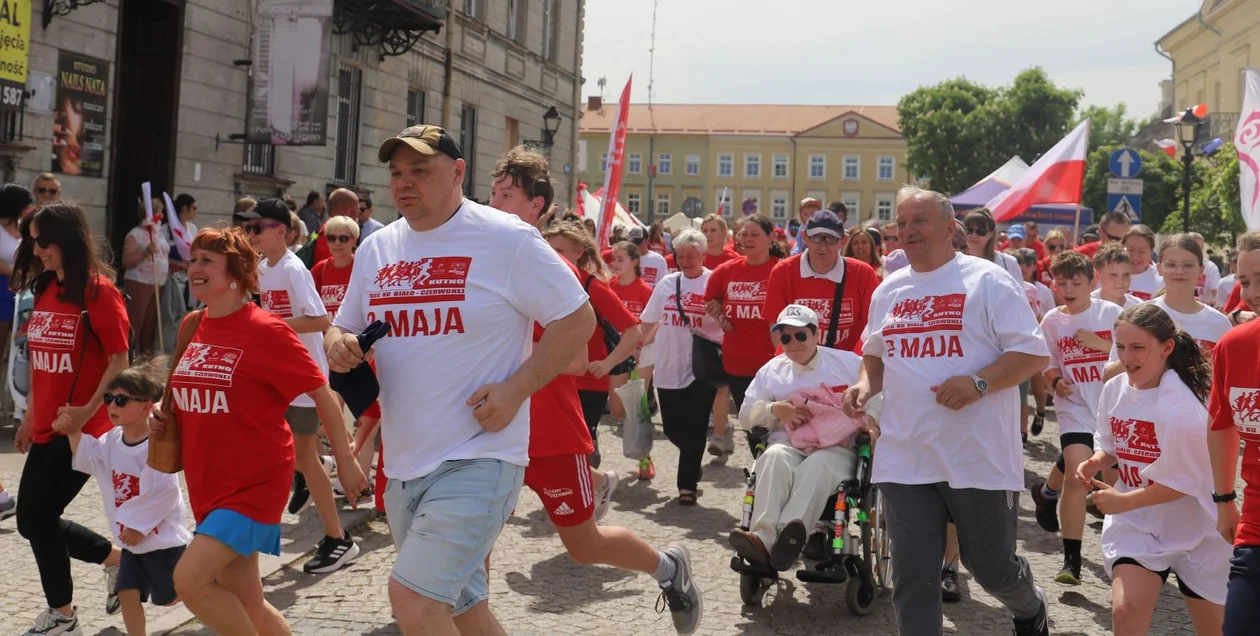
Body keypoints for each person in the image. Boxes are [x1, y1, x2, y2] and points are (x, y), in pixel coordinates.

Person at [325, 125, 605, 634]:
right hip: (405, 463)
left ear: (458, 173)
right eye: (396, 174)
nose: (405, 184)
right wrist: (338, 343)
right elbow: (343, 323)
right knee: (463, 609)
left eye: (421, 172)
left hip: (479, 458)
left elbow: (577, 319)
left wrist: (518, 387)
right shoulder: (377, 248)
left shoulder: (507, 238)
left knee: (412, 600)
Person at [487, 146, 703, 633]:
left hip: (549, 433)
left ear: (536, 206)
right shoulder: (482, 257)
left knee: (584, 545)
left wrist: (548, 367)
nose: (495, 203)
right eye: (493, 193)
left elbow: (587, 349)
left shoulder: (552, 267)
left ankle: (670, 568)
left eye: (508, 196)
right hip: (489, 428)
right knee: (473, 538)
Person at [844, 186, 1051, 636]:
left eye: (919, 220)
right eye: (901, 223)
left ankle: (1029, 605)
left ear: (949, 228)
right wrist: (864, 385)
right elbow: (875, 353)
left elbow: (1034, 356)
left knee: (992, 568)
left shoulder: (988, 280)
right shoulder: (890, 290)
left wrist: (978, 384)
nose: (908, 230)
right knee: (913, 576)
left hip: (976, 455)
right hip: (905, 454)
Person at [150, 226, 364, 635]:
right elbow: (184, 392)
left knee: (190, 581)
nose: (194, 268)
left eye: (206, 261)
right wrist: (162, 416)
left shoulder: (266, 329)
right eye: (193, 259)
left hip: (254, 483)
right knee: (251, 605)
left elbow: (323, 394)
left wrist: (348, 460)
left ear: (237, 274)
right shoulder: (191, 325)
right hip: (206, 480)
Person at [13, 202, 130, 635]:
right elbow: (42, 364)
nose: (37, 249)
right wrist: (29, 416)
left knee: (39, 519)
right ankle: (116, 561)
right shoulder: (45, 289)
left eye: (44, 240)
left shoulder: (99, 292)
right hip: (48, 425)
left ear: (67, 240)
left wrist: (87, 410)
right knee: (29, 521)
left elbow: (120, 359)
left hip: (85, 429)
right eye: (32, 240)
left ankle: (62, 615)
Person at [1080, 303, 1229, 635]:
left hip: (1196, 530)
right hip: (1138, 527)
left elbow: (1183, 483)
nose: (1127, 356)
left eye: (1138, 347)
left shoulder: (1182, 410)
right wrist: (1096, 460)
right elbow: (1111, 444)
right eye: (1120, 347)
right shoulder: (1114, 389)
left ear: (1167, 348)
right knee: (1124, 610)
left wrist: (1123, 501)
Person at [236, 198, 360, 573]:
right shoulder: (262, 267)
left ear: (281, 231)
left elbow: (321, 318)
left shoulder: (292, 269)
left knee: (300, 456)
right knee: (271, 450)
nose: (251, 234)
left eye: (257, 228)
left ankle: (338, 539)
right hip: (275, 375)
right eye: (248, 229)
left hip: (303, 377)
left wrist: (273, 326)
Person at [729, 304, 882, 572]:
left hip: (837, 446)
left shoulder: (847, 363)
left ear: (816, 334)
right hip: (788, 442)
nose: (793, 343)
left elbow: (878, 396)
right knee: (772, 458)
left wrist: (871, 423)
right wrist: (775, 410)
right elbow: (745, 415)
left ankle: (786, 538)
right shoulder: (772, 370)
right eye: (785, 337)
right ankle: (763, 540)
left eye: (800, 335)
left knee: (818, 466)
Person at [58, 356, 191, 636]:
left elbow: (165, 492)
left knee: (180, 597)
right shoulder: (112, 440)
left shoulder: (155, 447)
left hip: (161, 544)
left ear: (146, 406)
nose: (111, 406)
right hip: (130, 545)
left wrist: (139, 527)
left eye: (121, 400)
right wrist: (73, 432)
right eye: (109, 398)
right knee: (127, 592)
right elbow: (90, 456)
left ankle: (224, 604)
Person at [1027, 250, 1123, 585]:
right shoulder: (1052, 320)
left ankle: (1125, 553)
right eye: (1061, 282)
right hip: (1075, 408)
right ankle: (1072, 562)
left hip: (1112, 407)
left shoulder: (1111, 313)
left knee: (1112, 483)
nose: (1067, 288)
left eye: (1075, 282)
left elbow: (1133, 353)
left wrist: (1099, 344)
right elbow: (1046, 361)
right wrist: (1054, 381)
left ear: (1091, 282)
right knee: (1077, 476)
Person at [544, 221, 643, 469]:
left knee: (574, 447)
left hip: (588, 381)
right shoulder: (541, 283)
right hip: (549, 378)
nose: (553, 256)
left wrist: (609, 363)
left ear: (578, 252)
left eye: (560, 250)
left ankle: (588, 486)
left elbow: (633, 331)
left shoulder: (593, 287)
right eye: (548, 249)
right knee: (554, 442)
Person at [641, 229, 724, 507]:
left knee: (697, 426)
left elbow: (728, 323)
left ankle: (686, 485)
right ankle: (693, 458)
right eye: (681, 256)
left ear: (703, 254)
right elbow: (650, 319)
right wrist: (636, 346)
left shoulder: (715, 281)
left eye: (691, 255)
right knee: (674, 429)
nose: (685, 260)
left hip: (701, 365)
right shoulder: (666, 283)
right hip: (667, 364)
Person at [1206, 230, 1260, 635]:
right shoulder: (1234, 345)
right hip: (1255, 530)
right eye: (1244, 280)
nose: (1253, 292)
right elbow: (1221, 425)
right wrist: (1224, 500)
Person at [764, 209, 880, 353]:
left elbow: (871, 327)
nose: (823, 246)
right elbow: (776, 325)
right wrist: (791, 363)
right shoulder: (783, 272)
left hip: (847, 367)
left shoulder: (863, 274)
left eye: (831, 239)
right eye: (816, 238)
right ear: (805, 237)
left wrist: (854, 366)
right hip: (799, 365)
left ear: (843, 241)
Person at [703, 214, 783, 422]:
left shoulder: (783, 269)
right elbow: (709, 301)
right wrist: (719, 313)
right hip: (737, 361)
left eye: (755, 235)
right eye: (743, 235)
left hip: (775, 362)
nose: (747, 239)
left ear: (770, 238)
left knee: (775, 425)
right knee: (750, 422)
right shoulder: (726, 271)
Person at [607, 240, 658, 479]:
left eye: (620, 259)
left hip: (642, 354)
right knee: (617, 409)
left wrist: (639, 344)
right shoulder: (609, 287)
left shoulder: (646, 291)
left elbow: (655, 322)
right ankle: (632, 437)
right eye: (613, 259)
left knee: (637, 407)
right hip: (616, 353)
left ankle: (645, 459)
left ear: (635, 262)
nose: (614, 264)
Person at [1152, 233, 1233, 361]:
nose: (1179, 271)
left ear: (1201, 271)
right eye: (1171, 265)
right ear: (1159, 268)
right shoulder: (1143, 316)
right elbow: (1113, 371)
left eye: (1188, 265)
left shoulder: (1219, 322)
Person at [121, 197, 171, 355]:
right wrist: (145, 252)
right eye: (159, 212)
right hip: (140, 281)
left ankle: (146, 358)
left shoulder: (158, 232)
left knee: (150, 324)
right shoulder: (135, 234)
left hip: (158, 282)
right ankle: (128, 356)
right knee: (136, 322)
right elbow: (127, 261)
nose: (162, 215)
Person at [310, 215, 358, 317]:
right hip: (327, 332)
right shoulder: (320, 269)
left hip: (355, 332)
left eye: (343, 238)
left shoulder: (361, 266)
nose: (337, 243)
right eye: (331, 238)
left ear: (354, 240)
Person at [962, 208, 1022, 282]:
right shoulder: (953, 261)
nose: (974, 235)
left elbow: (1018, 292)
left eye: (981, 231)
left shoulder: (1008, 263)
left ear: (991, 234)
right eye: (969, 230)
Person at [1091, 243, 1142, 308]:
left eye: (1126, 274)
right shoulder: (1084, 306)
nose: (1121, 281)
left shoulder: (1138, 308)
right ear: (1097, 276)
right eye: (1113, 274)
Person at [1123, 225, 1162, 300]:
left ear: (1151, 251)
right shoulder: (1107, 275)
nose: (1135, 256)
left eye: (1142, 251)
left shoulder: (1160, 280)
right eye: (1130, 250)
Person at [1190, 232, 1223, 306]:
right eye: (1195, 247)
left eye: (1201, 248)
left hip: (1202, 308)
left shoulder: (1210, 267)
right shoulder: (1178, 265)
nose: (1198, 250)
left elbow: (1216, 293)